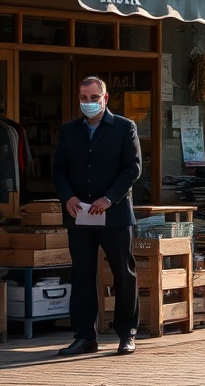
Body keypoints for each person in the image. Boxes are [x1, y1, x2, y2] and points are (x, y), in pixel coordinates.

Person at [52, 76, 142, 356]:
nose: (88, 103)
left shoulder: (125, 128)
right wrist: (68, 197)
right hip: (80, 215)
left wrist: (109, 198)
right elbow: (59, 169)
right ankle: (84, 337)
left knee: (123, 274)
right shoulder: (69, 131)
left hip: (113, 215)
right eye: (83, 98)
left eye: (93, 98)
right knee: (81, 275)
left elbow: (132, 169)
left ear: (105, 98)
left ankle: (127, 333)